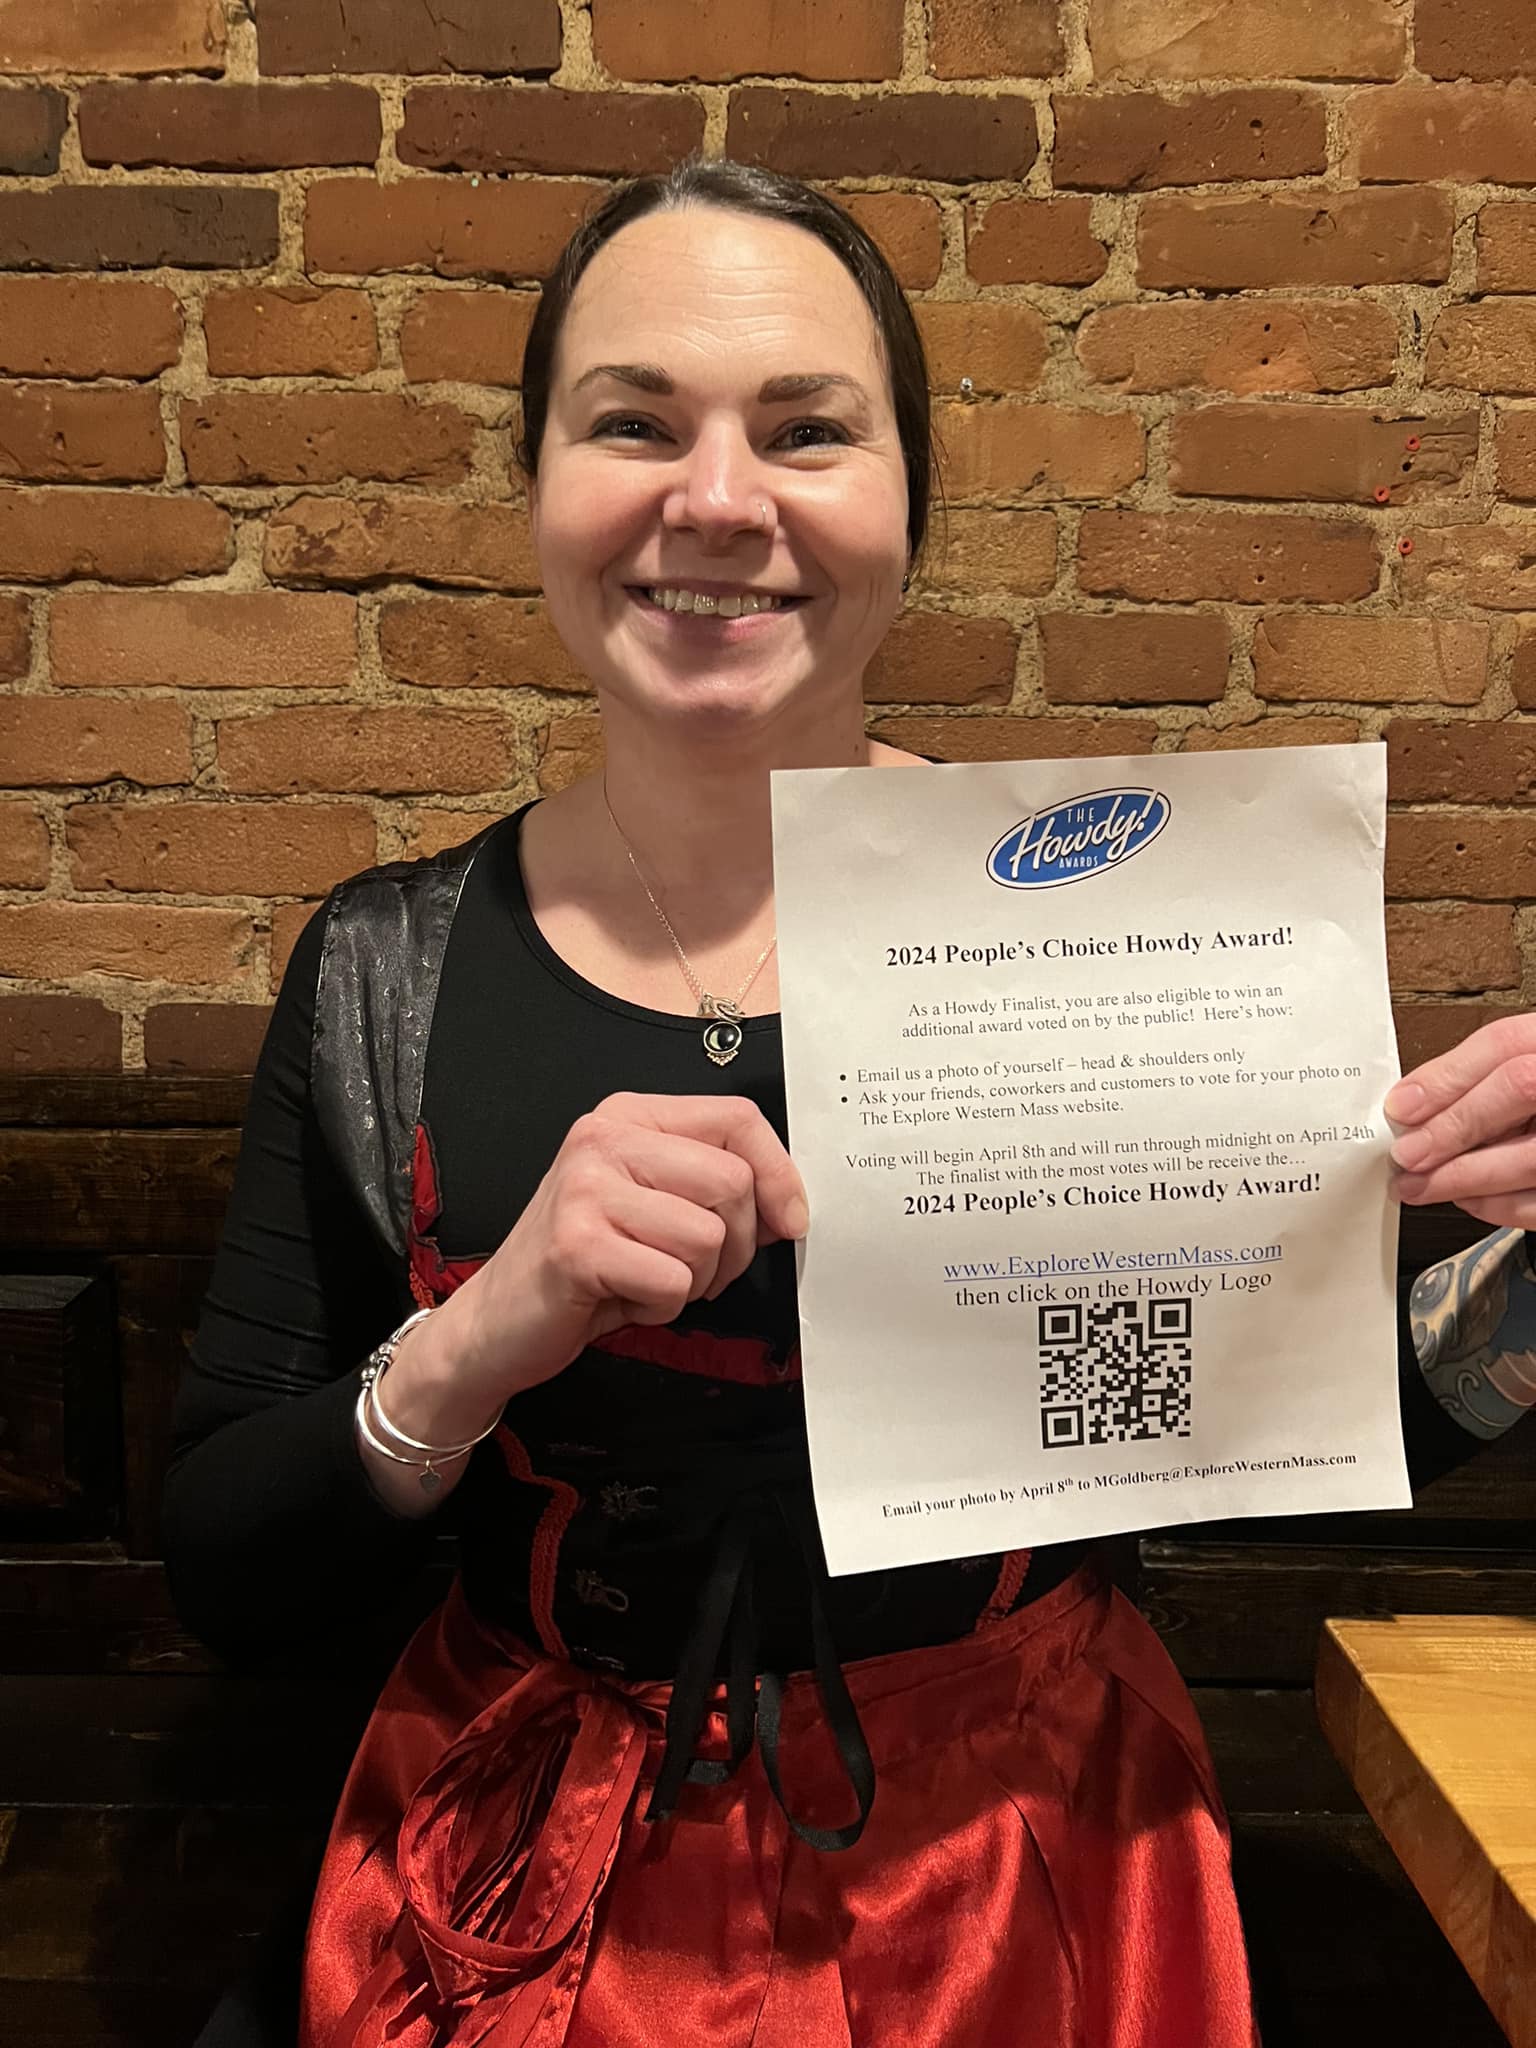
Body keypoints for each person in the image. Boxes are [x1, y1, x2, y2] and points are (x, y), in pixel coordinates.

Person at [164, 158, 1536, 2048]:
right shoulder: (383, 973)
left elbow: (1247, 1430)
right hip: (506, 1879)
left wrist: (1532, 1278)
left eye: (807, 430)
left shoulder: (1097, 945)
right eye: (634, 422)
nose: (719, 500)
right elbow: (230, 1570)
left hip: (1024, 1869)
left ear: (908, 502)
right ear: (536, 486)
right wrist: (476, 1340)